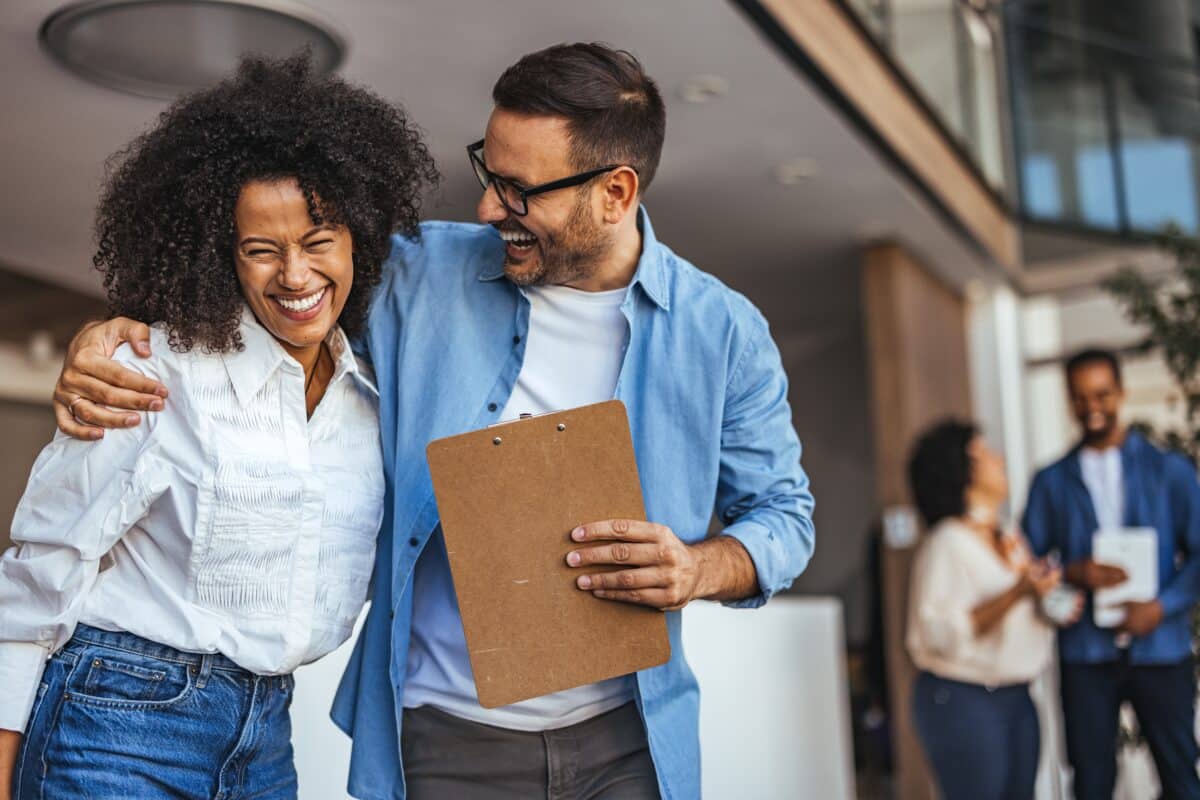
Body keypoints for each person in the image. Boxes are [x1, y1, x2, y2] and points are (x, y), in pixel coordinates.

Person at [52, 43, 816, 800]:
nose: (488, 208)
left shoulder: (724, 333)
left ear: (615, 193)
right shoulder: (412, 275)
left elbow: (784, 515)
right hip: (446, 745)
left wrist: (698, 568)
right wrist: (119, 332)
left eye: (519, 191)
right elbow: (271, 291)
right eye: (489, 172)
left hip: (631, 746)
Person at [0, 54, 437, 799]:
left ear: (358, 238)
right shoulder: (153, 372)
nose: (294, 275)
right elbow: (36, 577)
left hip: (265, 739)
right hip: (116, 723)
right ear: (220, 257)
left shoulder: (371, 399)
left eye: (318, 241)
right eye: (261, 250)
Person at [1023, 348, 1200, 800]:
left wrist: (1161, 607)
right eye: (1080, 397)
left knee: (1181, 777)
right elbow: (1028, 568)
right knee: (1092, 781)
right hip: (1086, 655)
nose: (1092, 407)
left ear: (1120, 393)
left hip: (1161, 650)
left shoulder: (1169, 470)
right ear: (1069, 399)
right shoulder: (1051, 481)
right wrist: (1073, 571)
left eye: (1101, 394)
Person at [905, 419, 1075, 800]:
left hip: (1016, 698)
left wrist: (1052, 599)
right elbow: (940, 633)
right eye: (984, 454)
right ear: (961, 471)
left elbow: (1025, 608)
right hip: (965, 699)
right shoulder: (947, 543)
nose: (999, 460)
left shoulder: (1009, 537)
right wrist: (1018, 592)